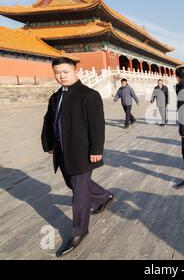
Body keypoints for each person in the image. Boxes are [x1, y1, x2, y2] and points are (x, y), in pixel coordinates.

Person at [41, 57, 114, 257]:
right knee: (73, 184)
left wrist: (96, 150)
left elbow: (97, 125)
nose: (61, 76)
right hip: (63, 151)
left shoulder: (89, 95)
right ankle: (105, 196)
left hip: (82, 152)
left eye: (65, 71)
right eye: (57, 72)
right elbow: (49, 121)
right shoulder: (56, 96)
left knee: (79, 195)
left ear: (76, 71)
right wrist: (49, 144)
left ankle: (79, 231)